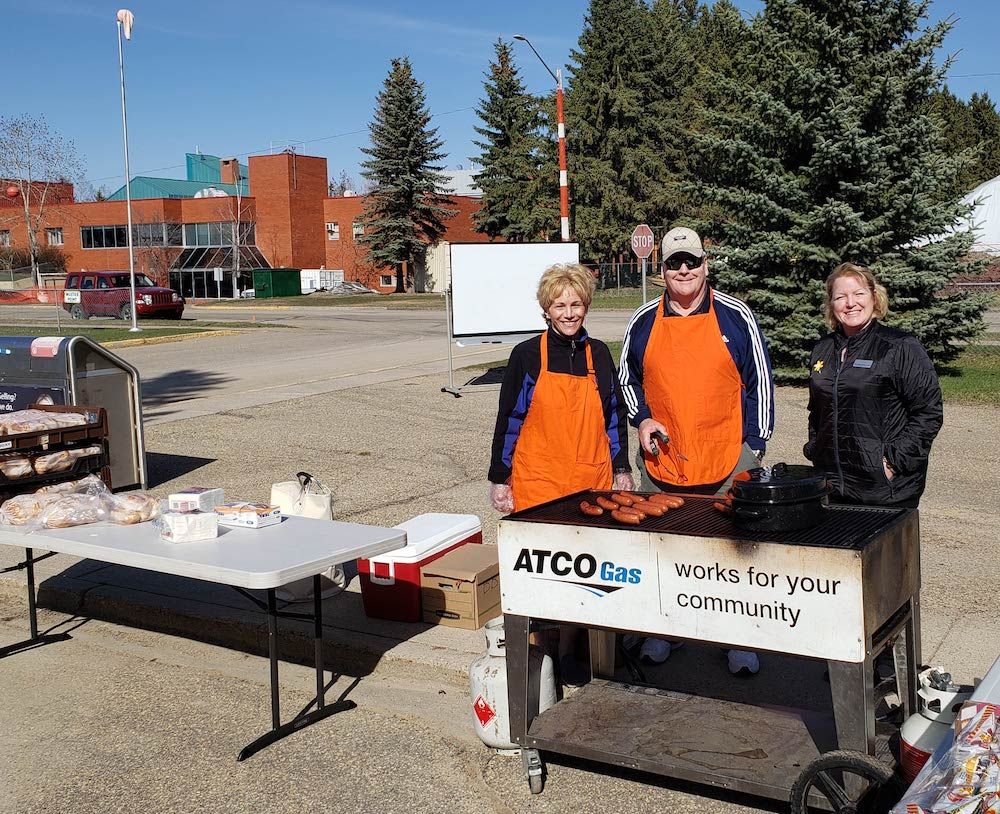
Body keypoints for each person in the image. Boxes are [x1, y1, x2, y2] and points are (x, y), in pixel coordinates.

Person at [619, 227, 775, 676]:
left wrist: (755, 446)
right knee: (664, 548)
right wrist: (642, 418)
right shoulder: (643, 321)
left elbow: (760, 381)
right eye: (674, 263)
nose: (683, 270)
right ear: (662, 271)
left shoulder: (735, 316)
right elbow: (627, 381)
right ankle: (663, 631)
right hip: (662, 463)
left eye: (691, 261)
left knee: (733, 551)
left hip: (727, 457)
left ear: (706, 265)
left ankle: (736, 639)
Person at [489, 262, 633, 685]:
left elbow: (612, 417)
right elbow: (510, 418)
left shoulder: (599, 354)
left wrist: (622, 468)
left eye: (576, 304)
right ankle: (540, 665)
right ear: (546, 310)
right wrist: (500, 477)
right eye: (559, 305)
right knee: (542, 580)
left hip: (591, 482)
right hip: (540, 485)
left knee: (585, 578)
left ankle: (574, 655)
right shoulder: (527, 355)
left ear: (586, 306)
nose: (569, 313)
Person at [805, 263, 943, 509]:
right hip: (832, 487)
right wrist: (816, 449)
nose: (850, 303)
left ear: (873, 296)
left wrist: (892, 463)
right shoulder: (822, 349)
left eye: (858, 293)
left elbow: (928, 412)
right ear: (831, 304)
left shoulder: (899, 346)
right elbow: (817, 410)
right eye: (840, 297)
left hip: (884, 491)